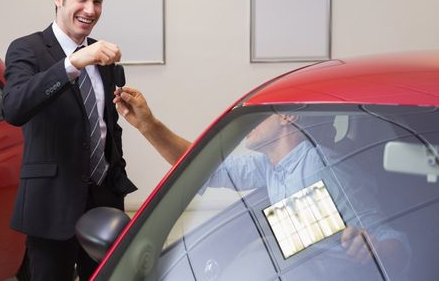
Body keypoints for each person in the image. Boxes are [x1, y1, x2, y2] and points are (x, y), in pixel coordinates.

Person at [113, 86, 409, 272]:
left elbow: (393, 241)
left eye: (263, 116)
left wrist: (372, 248)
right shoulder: (270, 165)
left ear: (288, 118)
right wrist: (148, 126)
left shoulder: (325, 168)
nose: (251, 125)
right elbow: (204, 168)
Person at [2, 0, 137, 281]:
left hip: (103, 201)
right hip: (51, 203)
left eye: (98, 1)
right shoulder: (27, 49)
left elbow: (107, 127)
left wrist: (116, 175)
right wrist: (72, 63)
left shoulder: (103, 57)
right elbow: (14, 108)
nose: (90, 9)